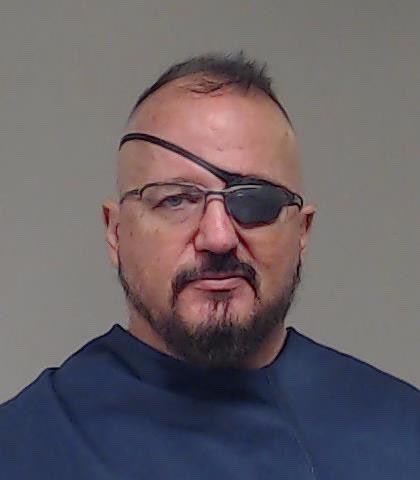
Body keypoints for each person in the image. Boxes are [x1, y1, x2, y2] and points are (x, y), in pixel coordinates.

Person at [0, 52, 418, 479]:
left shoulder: (403, 434)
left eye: (254, 201)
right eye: (175, 200)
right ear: (116, 232)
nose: (218, 237)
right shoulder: (23, 448)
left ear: (302, 232)